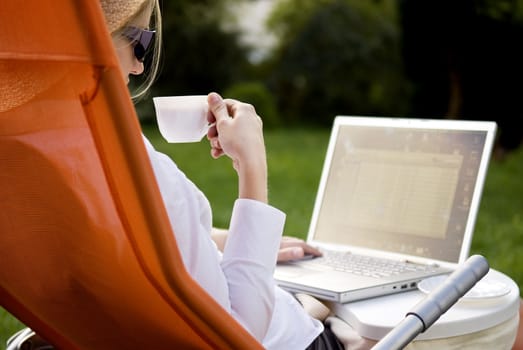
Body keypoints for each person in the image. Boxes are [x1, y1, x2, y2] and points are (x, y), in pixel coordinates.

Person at [100, 0, 354, 349]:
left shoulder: (51, 158)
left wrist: (240, 240)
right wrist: (251, 163)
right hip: (289, 338)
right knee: (391, 319)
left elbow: (144, 240)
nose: (140, 64)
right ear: (96, 37)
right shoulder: (131, 163)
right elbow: (241, 335)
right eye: (140, 40)